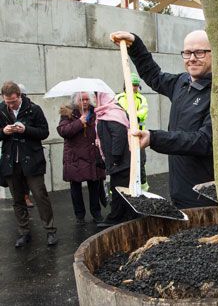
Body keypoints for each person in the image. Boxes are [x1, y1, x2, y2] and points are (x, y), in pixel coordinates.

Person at [109, 30, 218, 208]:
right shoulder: (182, 83)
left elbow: (204, 141)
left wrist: (154, 138)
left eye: (200, 52)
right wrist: (135, 45)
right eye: (187, 53)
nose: (192, 58)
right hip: (178, 187)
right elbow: (154, 75)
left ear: (214, 54)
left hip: (205, 195)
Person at [0, 81, 57, 247]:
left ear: (19, 95)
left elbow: (44, 132)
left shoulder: (34, 109)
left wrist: (25, 129)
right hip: (11, 161)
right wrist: (4, 131)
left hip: (32, 160)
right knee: (18, 199)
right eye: (7, 101)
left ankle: (50, 231)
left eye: (13, 101)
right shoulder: (1, 110)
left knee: (40, 196)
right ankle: (24, 233)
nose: (10, 105)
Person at [57, 92, 105, 224]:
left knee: (94, 185)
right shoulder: (67, 113)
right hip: (75, 156)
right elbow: (63, 131)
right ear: (75, 101)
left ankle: (96, 213)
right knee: (76, 187)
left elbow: (101, 128)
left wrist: (100, 138)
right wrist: (79, 122)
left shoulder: (95, 112)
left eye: (86, 99)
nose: (84, 102)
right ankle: (80, 216)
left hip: (91, 154)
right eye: (81, 99)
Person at [94, 92, 135, 228]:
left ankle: (116, 217)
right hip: (118, 161)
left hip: (121, 162)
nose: (95, 100)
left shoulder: (112, 113)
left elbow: (119, 135)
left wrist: (115, 157)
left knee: (118, 190)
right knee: (120, 189)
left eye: (96, 97)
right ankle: (128, 216)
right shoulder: (105, 113)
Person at [115, 72, 149, 191]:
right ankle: (124, 189)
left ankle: (143, 189)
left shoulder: (141, 98)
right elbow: (116, 114)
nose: (134, 87)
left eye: (136, 85)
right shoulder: (118, 98)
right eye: (132, 84)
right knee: (125, 164)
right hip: (124, 137)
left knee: (141, 163)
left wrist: (128, 116)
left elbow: (143, 114)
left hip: (138, 136)